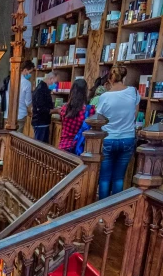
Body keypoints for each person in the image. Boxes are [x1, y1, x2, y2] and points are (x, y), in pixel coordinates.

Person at [96, 65, 140, 199]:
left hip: (108, 138)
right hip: (127, 137)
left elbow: (99, 118)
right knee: (119, 178)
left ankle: (102, 211)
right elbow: (135, 115)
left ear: (110, 80)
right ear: (124, 78)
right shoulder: (134, 92)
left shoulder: (104, 96)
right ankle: (115, 209)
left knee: (104, 178)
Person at [58, 78, 95, 153]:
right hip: (79, 148)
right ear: (85, 91)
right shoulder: (89, 110)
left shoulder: (64, 108)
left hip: (63, 146)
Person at [31, 72, 57, 143]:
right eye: (55, 82)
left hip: (42, 122)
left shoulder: (43, 88)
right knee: (40, 146)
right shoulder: (41, 90)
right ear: (51, 79)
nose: (55, 84)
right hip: (40, 122)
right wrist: (56, 111)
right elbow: (41, 109)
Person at [17, 60, 34, 133]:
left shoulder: (11, 79)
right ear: (25, 70)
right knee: (17, 137)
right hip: (21, 114)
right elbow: (28, 102)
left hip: (9, 114)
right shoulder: (27, 83)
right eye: (30, 72)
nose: (30, 74)